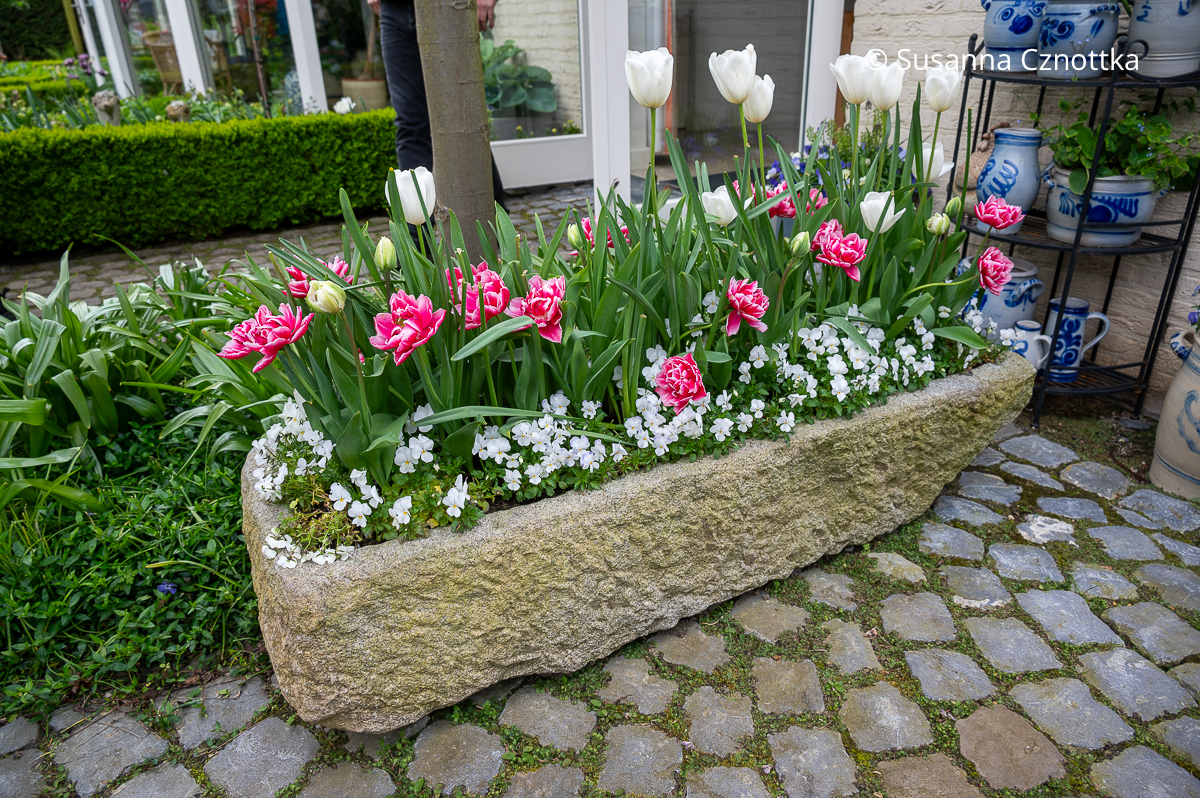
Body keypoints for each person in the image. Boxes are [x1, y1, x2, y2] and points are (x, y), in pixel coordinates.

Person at [369, 0, 506, 209]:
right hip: (394, 10)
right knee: (410, 124)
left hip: (449, 9)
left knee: (464, 121)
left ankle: (497, 230)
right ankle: (417, 236)